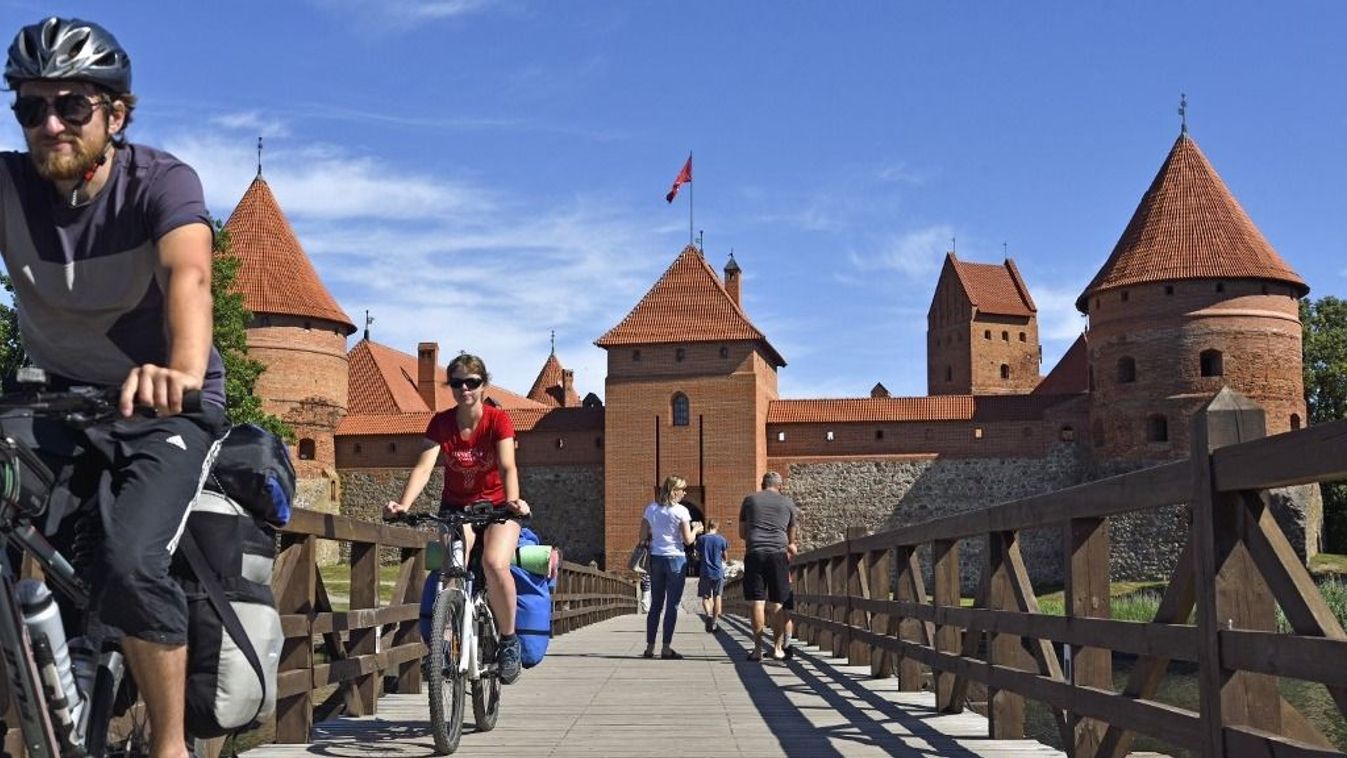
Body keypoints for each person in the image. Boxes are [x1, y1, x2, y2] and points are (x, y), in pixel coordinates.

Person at [1, 17, 230, 758]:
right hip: (53, 395)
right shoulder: (8, 187)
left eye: (73, 106)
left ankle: (170, 745)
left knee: (133, 562)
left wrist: (184, 370)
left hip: (163, 399)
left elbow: (189, 274)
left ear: (117, 114)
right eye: (31, 108)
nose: (51, 124)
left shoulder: (161, 181)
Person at [385, 353, 532, 684]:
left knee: (495, 564)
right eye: (457, 383)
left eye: (472, 382)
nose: (464, 388)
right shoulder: (441, 423)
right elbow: (424, 467)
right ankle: (445, 646)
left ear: (484, 385)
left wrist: (513, 502)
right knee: (453, 571)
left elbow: (508, 465)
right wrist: (404, 505)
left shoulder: (498, 420)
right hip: (456, 508)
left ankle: (509, 641)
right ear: (449, 386)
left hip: (497, 507)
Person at [637, 474, 702, 659]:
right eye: (682, 490)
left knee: (656, 605)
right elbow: (688, 540)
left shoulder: (651, 509)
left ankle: (650, 647)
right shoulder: (681, 511)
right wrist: (697, 530)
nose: (685, 493)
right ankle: (666, 647)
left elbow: (642, 536)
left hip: (656, 558)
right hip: (676, 559)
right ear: (674, 491)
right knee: (672, 605)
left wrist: (654, 535)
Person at [739, 471, 799, 662]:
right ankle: (778, 648)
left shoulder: (749, 500)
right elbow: (792, 538)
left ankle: (757, 649)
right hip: (778, 554)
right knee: (777, 603)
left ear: (762, 484)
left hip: (754, 552)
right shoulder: (788, 503)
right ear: (779, 485)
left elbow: (742, 533)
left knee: (757, 602)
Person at [695, 519, 729, 632]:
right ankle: (714, 622)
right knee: (717, 596)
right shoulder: (721, 539)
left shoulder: (701, 539)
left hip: (705, 571)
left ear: (707, 526)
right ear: (717, 526)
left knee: (705, 596)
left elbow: (697, 555)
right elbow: (725, 556)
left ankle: (708, 615)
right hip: (718, 571)